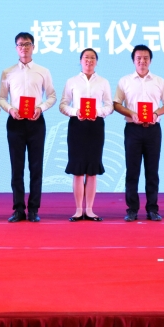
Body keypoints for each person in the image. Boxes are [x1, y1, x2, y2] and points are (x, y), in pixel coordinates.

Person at [0, 32, 57, 222]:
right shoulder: (8, 72)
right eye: (20, 44)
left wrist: (41, 108)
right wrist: (10, 109)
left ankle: (33, 209)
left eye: (27, 44)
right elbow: (1, 98)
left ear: (33, 47)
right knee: (17, 167)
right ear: (16, 48)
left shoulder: (43, 71)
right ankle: (18, 209)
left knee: (36, 167)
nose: (24, 47)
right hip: (15, 122)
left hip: (36, 122)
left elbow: (52, 96)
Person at [113, 44, 164, 222]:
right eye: (138, 58)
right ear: (133, 60)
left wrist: (156, 113)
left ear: (150, 60)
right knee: (132, 171)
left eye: (146, 58)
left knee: (152, 171)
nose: (142, 61)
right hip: (133, 129)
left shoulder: (159, 81)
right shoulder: (125, 81)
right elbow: (116, 104)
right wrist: (131, 113)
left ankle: (152, 209)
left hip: (153, 130)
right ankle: (132, 209)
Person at [59, 48, 114, 222]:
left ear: (96, 61)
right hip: (77, 126)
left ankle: (89, 210)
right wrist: (76, 112)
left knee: (92, 169)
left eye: (92, 58)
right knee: (77, 169)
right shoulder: (72, 81)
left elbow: (110, 106)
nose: (89, 61)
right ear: (80, 61)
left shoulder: (103, 82)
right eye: (85, 58)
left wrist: (97, 112)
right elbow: (63, 105)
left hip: (95, 127)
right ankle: (78, 210)